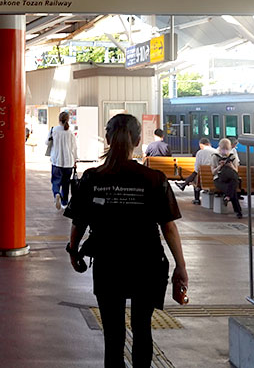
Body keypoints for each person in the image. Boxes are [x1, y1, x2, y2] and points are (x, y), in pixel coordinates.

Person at [65, 114, 188, 368]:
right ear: (138, 140)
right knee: (143, 329)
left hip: (109, 264)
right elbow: (169, 227)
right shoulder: (154, 179)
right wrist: (181, 266)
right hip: (148, 263)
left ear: (108, 138)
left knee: (113, 334)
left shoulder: (92, 178)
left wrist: (74, 250)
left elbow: (79, 222)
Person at [49, 111, 78, 210]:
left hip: (56, 160)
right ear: (68, 120)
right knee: (66, 183)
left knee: (56, 181)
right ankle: (64, 203)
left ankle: (56, 193)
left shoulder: (54, 130)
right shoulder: (70, 132)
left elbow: (46, 142)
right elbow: (74, 148)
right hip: (68, 161)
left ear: (59, 119)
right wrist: (75, 159)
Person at [174, 138, 217, 205]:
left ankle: (196, 199)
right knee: (196, 176)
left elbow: (196, 168)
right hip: (215, 177)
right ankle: (184, 184)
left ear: (201, 145)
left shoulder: (200, 152)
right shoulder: (216, 151)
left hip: (203, 178)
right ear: (209, 144)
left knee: (195, 178)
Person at [212, 138, 243, 218]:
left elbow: (236, 171)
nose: (225, 151)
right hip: (219, 180)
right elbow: (213, 172)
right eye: (223, 149)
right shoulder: (215, 157)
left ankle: (228, 197)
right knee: (233, 189)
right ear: (220, 148)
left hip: (230, 179)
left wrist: (231, 166)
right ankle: (238, 211)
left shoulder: (233, 157)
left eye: (227, 149)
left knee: (232, 184)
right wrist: (220, 166)